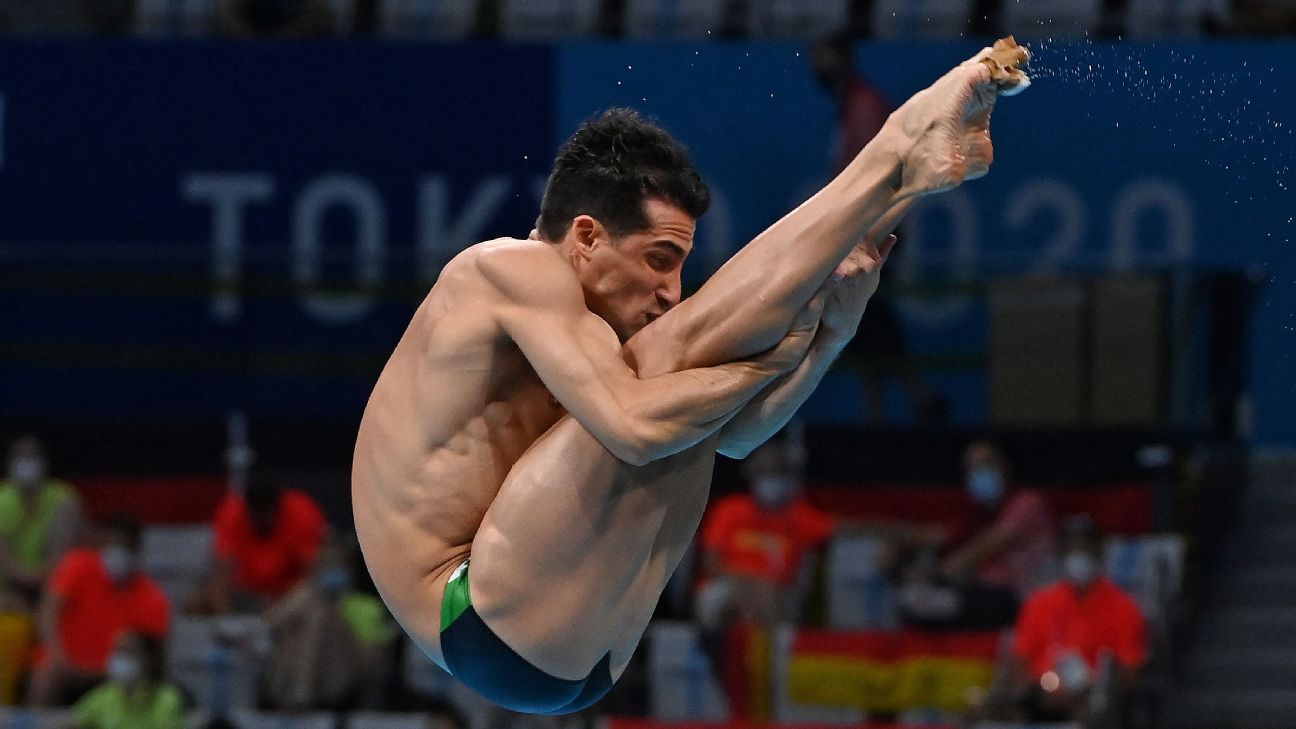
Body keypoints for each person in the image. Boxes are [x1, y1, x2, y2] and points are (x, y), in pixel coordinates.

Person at [354, 42, 1030, 714]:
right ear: (586, 236)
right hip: (475, 611)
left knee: (686, 404)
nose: (671, 290)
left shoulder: (587, 332)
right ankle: (895, 150)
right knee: (662, 372)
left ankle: (903, 182)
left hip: (572, 644)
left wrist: (832, 335)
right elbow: (635, 426)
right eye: (658, 259)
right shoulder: (504, 269)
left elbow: (735, 435)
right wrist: (770, 357)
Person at [812, 34, 948, 424]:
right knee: (867, 318)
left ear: (844, 59)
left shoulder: (864, 105)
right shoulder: (848, 105)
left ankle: (901, 402)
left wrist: (870, 228)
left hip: (871, 228)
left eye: (823, 58)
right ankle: (906, 400)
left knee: (868, 315)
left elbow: (879, 174)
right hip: (855, 229)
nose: (817, 68)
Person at [990, 516, 1147, 726]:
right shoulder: (1040, 602)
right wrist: (1040, 690)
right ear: (1062, 554)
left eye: (1085, 549)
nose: (1078, 556)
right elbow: (1021, 661)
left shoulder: (1124, 607)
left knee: (1091, 715)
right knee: (993, 708)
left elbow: (1130, 672)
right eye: (1072, 549)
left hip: (1091, 703)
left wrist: (1087, 694)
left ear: (1099, 552)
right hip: (1041, 696)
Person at [896, 439, 1055, 630]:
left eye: (986, 464)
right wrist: (894, 546)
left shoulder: (1028, 502)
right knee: (912, 602)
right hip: (981, 593)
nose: (980, 472)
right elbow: (936, 537)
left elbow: (981, 550)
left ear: (1005, 467)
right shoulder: (978, 513)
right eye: (972, 467)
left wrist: (931, 574)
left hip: (1019, 598)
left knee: (923, 601)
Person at [27, 516, 170, 706]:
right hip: (66, 667)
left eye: (125, 547)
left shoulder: (153, 598)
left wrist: (108, 670)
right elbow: (48, 614)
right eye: (111, 545)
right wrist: (59, 656)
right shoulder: (77, 566)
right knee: (46, 677)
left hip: (110, 675)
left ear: (137, 551)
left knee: (140, 684)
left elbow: (150, 655)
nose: (116, 553)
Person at [188, 473, 328, 614]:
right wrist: (224, 615)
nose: (262, 522)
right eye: (257, 517)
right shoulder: (232, 513)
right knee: (197, 602)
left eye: (266, 516)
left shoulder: (302, 513)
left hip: (287, 594)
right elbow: (222, 569)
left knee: (312, 594)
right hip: (244, 592)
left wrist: (283, 606)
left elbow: (311, 571)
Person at [0, 435, 84, 608]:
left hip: (53, 589)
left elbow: (61, 560)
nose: (27, 462)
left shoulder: (64, 500)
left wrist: (43, 589)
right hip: (7, 590)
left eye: (33, 456)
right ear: (9, 463)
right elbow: (6, 565)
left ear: (44, 462)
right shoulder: (2, 499)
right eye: (21, 456)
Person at [71, 631, 186, 729]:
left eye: (128, 651)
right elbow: (73, 723)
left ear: (148, 659)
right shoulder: (103, 696)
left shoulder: (166, 699)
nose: (119, 658)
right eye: (117, 651)